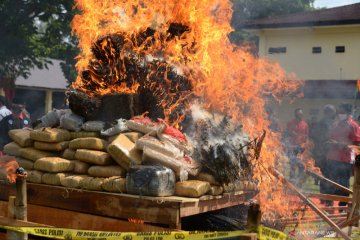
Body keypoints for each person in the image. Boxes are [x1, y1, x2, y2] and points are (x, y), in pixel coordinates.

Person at [326, 103, 360, 207]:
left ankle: (342, 205)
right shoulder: (335, 124)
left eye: (342, 112)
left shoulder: (353, 126)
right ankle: (329, 203)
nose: (339, 114)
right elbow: (330, 137)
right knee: (330, 181)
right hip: (332, 157)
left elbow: (356, 144)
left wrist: (339, 144)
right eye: (339, 112)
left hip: (345, 159)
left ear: (348, 113)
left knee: (343, 183)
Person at [310, 104, 336, 202]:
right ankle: (327, 200)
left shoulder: (330, 123)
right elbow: (316, 138)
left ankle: (325, 199)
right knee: (327, 178)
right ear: (329, 113)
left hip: (327, 155)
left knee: (326, 178)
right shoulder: (324, 124)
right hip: (324, 155)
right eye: (333, 112)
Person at [286, 108, 309, 180]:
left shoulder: (305, 124)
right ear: (295, 115)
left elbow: (306, 135)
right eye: (298, 114)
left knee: (301, 165)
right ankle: (292, 179)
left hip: (301, 147)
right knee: (293, 164)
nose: (300, 116)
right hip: (292, 146)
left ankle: (299, 181)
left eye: (301, 114)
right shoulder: (290, 122)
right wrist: (293, 134)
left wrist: (305, 145)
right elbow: (288, 133)